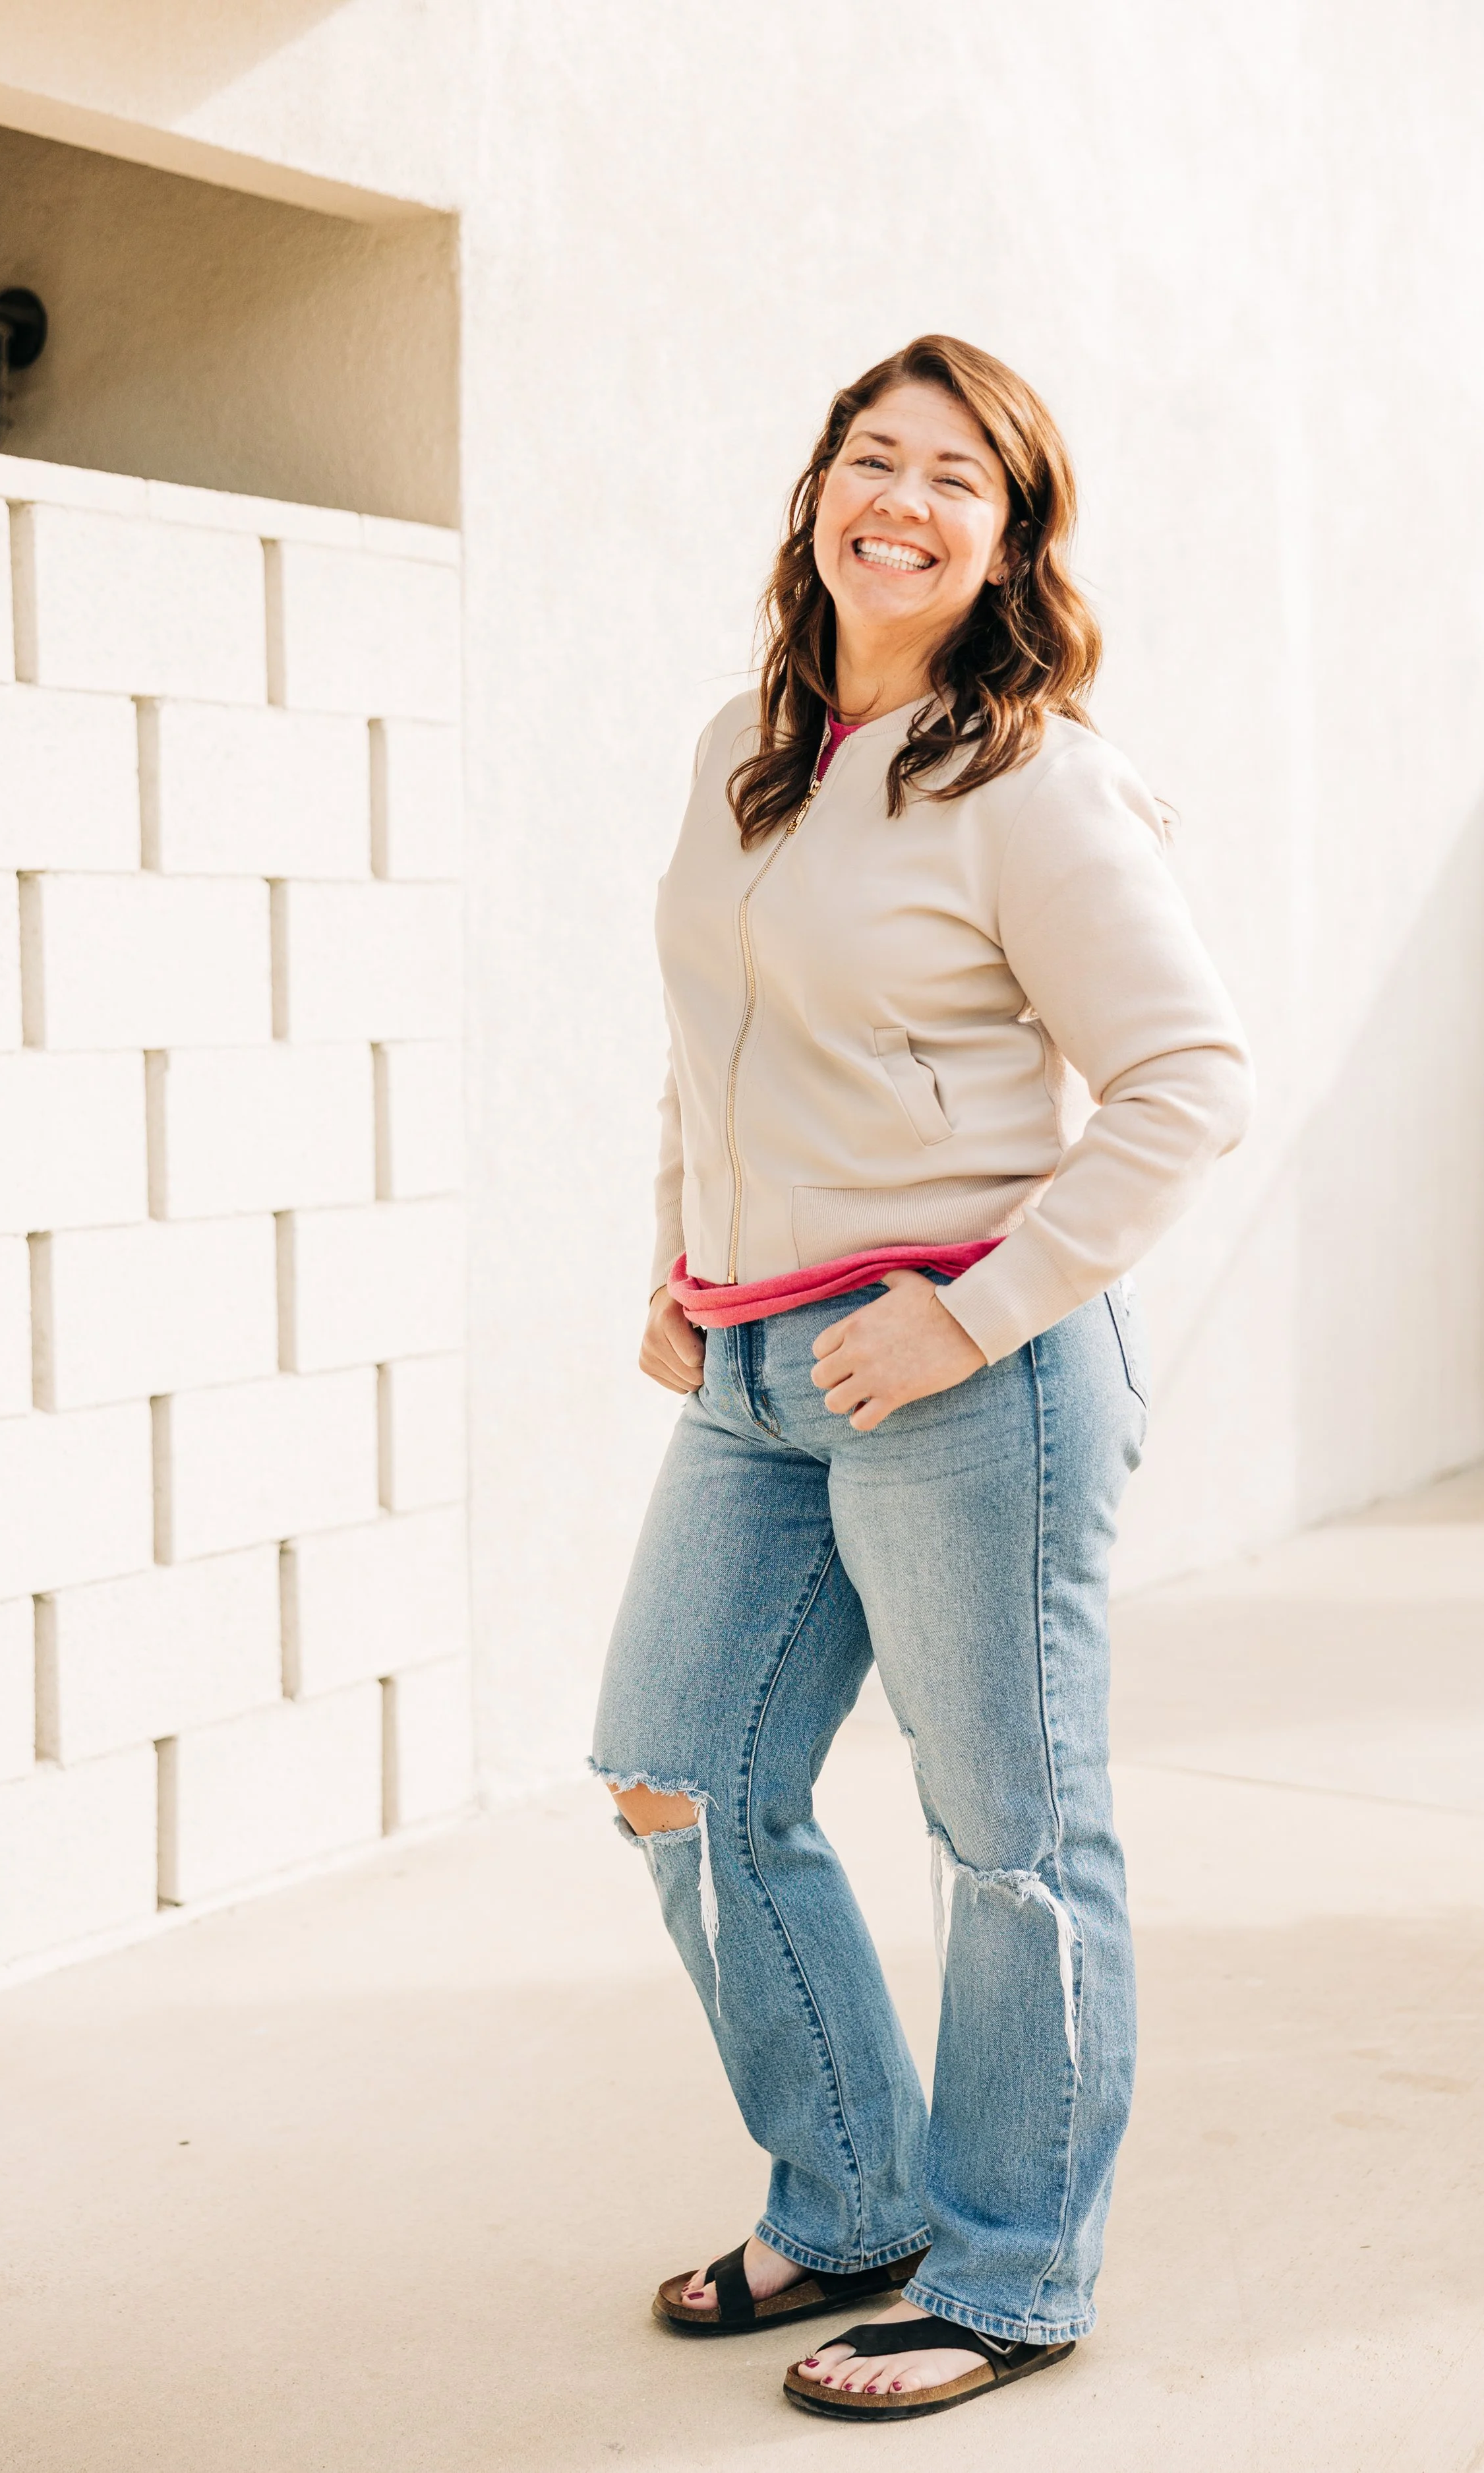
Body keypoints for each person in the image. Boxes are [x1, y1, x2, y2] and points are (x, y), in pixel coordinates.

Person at [590, 334, 1253, 2425]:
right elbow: (715, 1027)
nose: (902, 497)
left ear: (1007, 538)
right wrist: (679, 1250)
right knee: (677, 1773)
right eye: (872, 457)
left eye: (956, 476)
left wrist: (971, 1310)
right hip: (755, 1356)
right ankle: (853, 2195)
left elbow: (1185, 1083)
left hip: (973, 1372)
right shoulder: (746, 744)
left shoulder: (1029, 781)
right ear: (817, 495)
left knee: (1007, 1838)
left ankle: (1009, 2270)